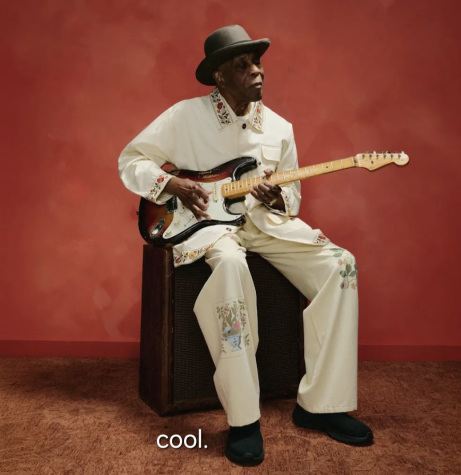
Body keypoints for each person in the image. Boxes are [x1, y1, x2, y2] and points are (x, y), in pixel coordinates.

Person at [118, 25, 373, 466]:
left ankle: (323, 406)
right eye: (243, 65)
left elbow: (292, 199)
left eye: (257, 63)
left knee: (341, 265)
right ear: (219, 76)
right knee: (232, 266)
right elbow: (130, 161)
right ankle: (243, 419)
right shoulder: (184, 116)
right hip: (209, 227)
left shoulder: (280, 128)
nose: (257, 72)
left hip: (265, 226)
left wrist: (277, 197)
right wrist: (172, 184)